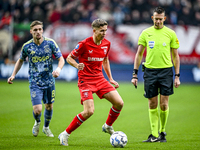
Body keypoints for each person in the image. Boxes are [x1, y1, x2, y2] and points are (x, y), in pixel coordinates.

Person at [58, 18, 124, 146]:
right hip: (86, 81)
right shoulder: (84, 44)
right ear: (94, 30)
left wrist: (110, 78)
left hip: (100, 79)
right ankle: (65, 134)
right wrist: (77, 66)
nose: (104, 33)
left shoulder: (107, 44)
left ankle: (107, 126)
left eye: (105, 31)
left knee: (119, 103)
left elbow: (105, 60)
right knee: (89, 111)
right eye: (101, 31)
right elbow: (70, 58)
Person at [7, 20, 65, 137]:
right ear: (31, 31)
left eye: (40, 29)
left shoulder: (50, 43)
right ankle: (37, 122)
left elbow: (61, 58)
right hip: (35, 81)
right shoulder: (27, 46)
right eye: (35, 30)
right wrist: (13, 74)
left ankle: (46, 127)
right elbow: (20, 60)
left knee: (49, 106)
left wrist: (58, 69)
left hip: (49, 81)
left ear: (42, 30)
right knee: (37, 109)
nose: (38, 32)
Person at [131, 6, 180, 142]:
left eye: (160, 19)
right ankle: (153, 135)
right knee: (152, 104)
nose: (158, 21)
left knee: (164, 104)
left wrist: (177, 76)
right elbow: (139, 54)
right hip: (150, 71)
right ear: (152, 18)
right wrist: (134, 74)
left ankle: (162, 132)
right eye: (156, 19)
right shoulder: (146, 33)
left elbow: (176, 56)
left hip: (166, 71)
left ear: (164, 18)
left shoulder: (171, 33)